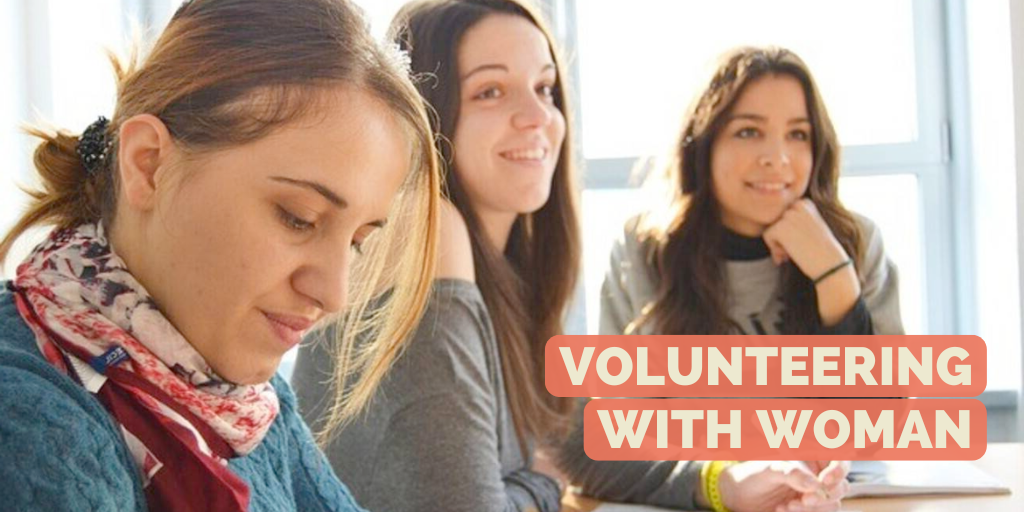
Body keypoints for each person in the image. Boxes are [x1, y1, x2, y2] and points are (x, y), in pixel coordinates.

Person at [0, 0, 441, 510]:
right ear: (149, 165)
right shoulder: (32, 428)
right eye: (298, 217)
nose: (334, 294)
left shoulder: (236, 397)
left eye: (358, 241)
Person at [555, 46, 902, 512]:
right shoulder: (646, 248)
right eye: (748, 132)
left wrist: (835, 282)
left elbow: (883, 428)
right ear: (703, 143)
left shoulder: (853, 243)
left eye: (798, 134)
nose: (777, 158)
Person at [292, 1, 580, 511]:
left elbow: (581, 437)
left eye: (545, 88)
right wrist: (543, 486)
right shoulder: (424, 227)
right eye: (490, 91)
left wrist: (714, 481)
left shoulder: (506, 268)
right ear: (428, 112)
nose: (539, 117)